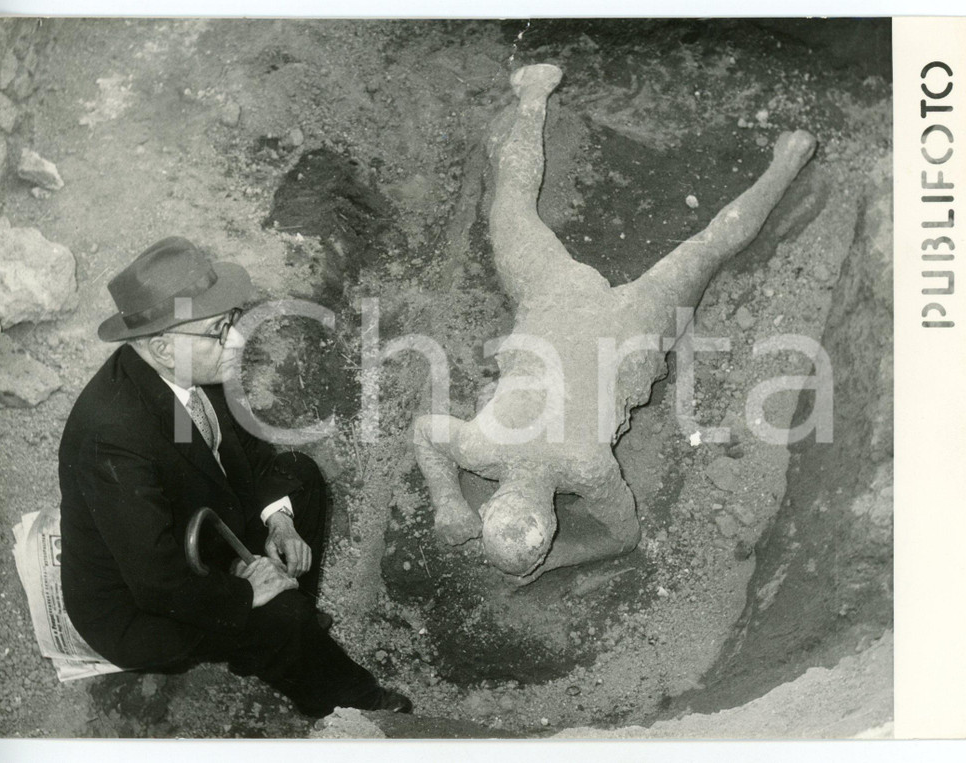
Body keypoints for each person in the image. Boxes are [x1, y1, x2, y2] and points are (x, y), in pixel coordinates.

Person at [414, 64, 817, 583]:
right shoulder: (484, 447)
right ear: (493, 507)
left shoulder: (582, 468)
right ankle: (534, 92)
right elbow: (426, 433)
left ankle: (788, 162)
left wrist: (456, 503)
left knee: (707, 250)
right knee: (512, 207)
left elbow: (625, 537)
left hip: (613, 324)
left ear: (550, 522)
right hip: (572, 305)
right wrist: (444, 500)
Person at [59, 236, 412, 717]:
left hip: (202, 525)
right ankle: (350, 700)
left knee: (300, 478)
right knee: (280, 619)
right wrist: (248, 592)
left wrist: (279, 524)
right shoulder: (112, 438)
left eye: (233, 320)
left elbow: (247, 451)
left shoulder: (186, 372)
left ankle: (286, 621)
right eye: (221, 329)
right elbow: (157, 581)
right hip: (144, 605)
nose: (239, 339)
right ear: (163, 347)